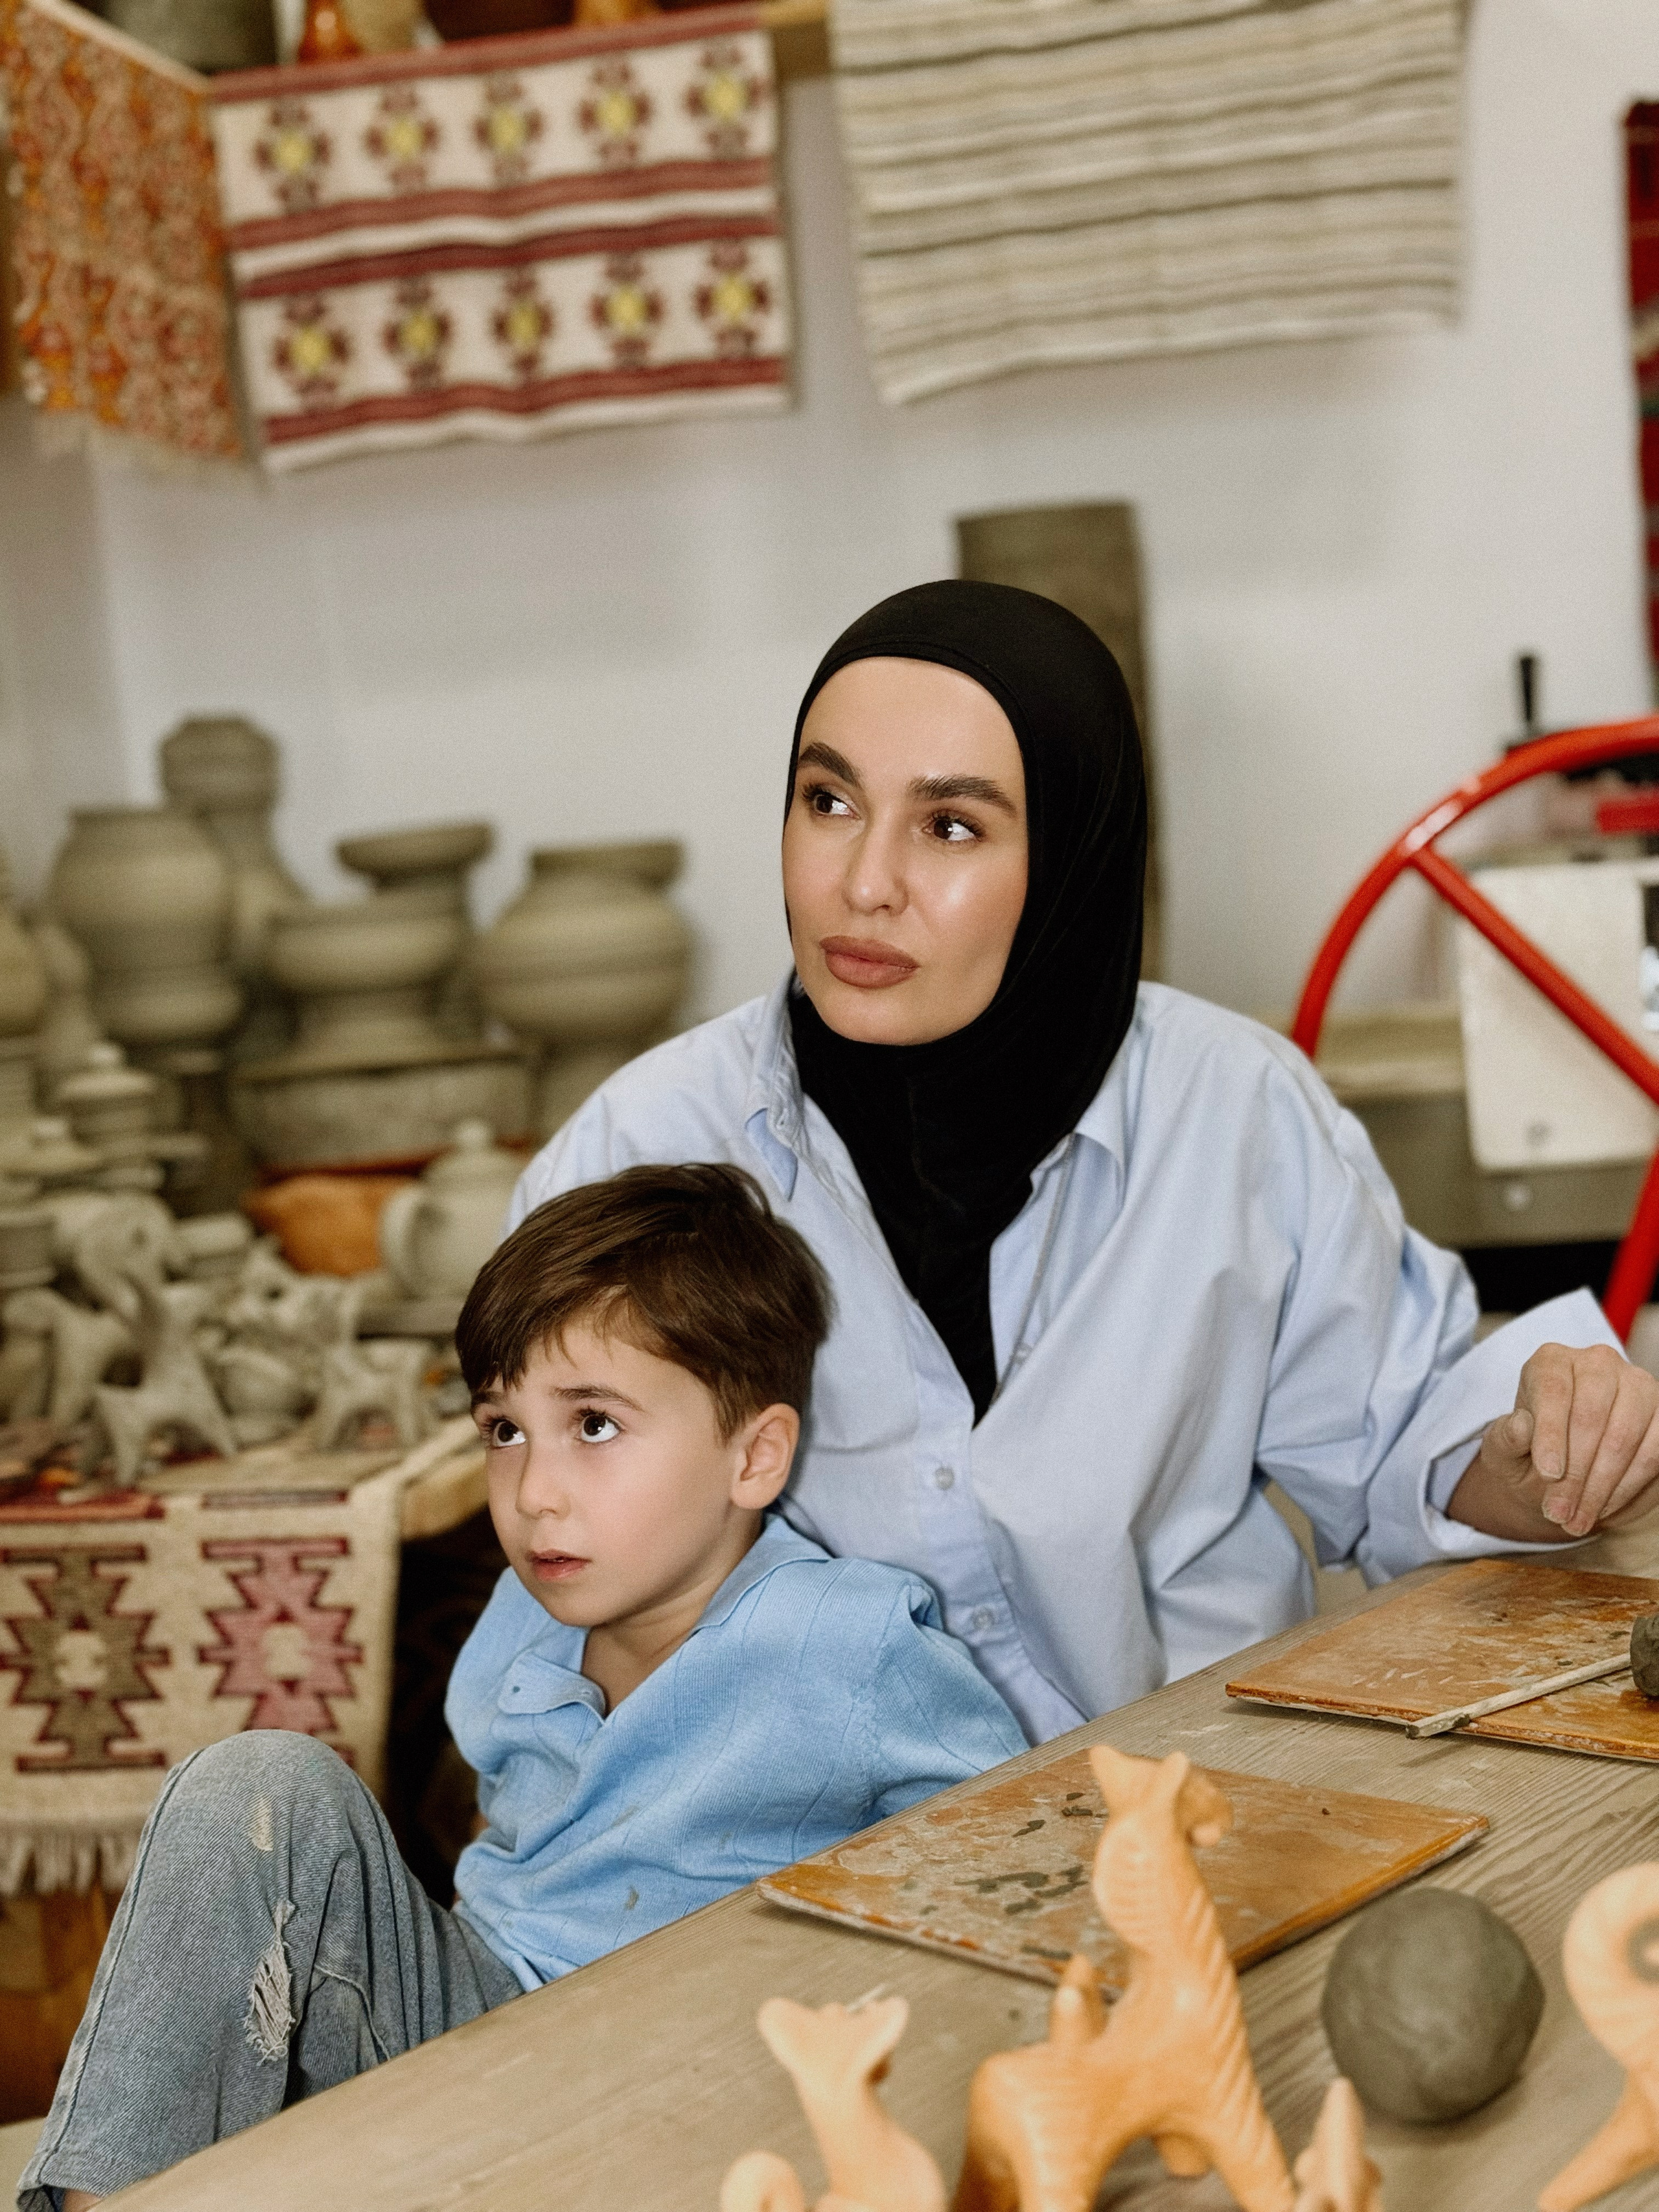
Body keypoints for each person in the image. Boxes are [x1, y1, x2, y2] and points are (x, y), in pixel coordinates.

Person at [508, 579, 1659, 1747]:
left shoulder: (1234, 1110)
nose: (864, 882)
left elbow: (1399, 1450)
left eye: (950, 825)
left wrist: (1545, 1451)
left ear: (1072, 856)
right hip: (797, 1856)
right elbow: (550, 1595)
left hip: (1212, 1798)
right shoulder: (634, 1154)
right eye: (828, 799)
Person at [21, 1164, 1023, 2212]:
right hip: (485, 2043)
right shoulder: (525, 1615)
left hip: (691, 2108)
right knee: (256, 1785)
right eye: (504, 1429)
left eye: (593, 1424)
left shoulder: (846, 1640)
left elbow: (1023, 1864)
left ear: (754, 1454)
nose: (534, 1492)